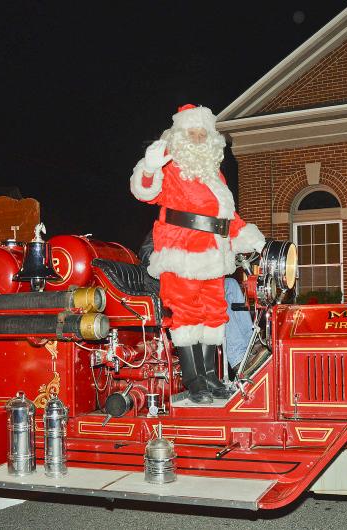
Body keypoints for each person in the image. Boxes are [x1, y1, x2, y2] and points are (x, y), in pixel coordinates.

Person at [130, 104, 265, 403]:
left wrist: (254, 240)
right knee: (188, 316)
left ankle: (211, 376)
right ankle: (194, 380)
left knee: (215, 316)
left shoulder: (216, 176)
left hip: (214, 257)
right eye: (192, 133)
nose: (198, 138)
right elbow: (145, 192)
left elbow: (227, 218)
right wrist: (150, 167)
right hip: (182, 254)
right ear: (180, 135)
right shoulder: (171, 166)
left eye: (203, 134)